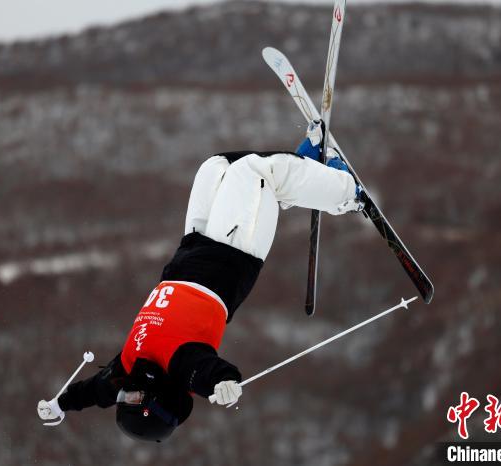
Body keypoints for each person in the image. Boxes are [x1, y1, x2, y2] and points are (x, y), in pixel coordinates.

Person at [37, 121, 363, 442]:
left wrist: (61, 404)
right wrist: (224, 386)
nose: (127, 393)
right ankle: (346, 192)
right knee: (250, 171)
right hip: (233, 254)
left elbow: (96, 392)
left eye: (124, 398)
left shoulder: (128, 368)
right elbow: (213, 374)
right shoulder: (182, 366)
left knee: (216, 167)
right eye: (135, 399)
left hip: (193, 248)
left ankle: (300, 175)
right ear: (157, 400)